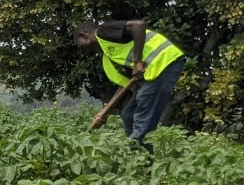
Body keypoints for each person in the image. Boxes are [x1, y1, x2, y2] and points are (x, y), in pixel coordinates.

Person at [75, 19, 185, 149]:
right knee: (128, 114)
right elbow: (125, 86)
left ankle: (134, 149)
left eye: (79, 44)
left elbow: (139, 25)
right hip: (153, 70)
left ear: (84, 35)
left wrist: (137, 61)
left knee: (144, 105)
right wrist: (104, 112)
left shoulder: (102, 31)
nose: (81, 49)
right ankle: (143, 151)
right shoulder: (108, 55)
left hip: (164, 61)